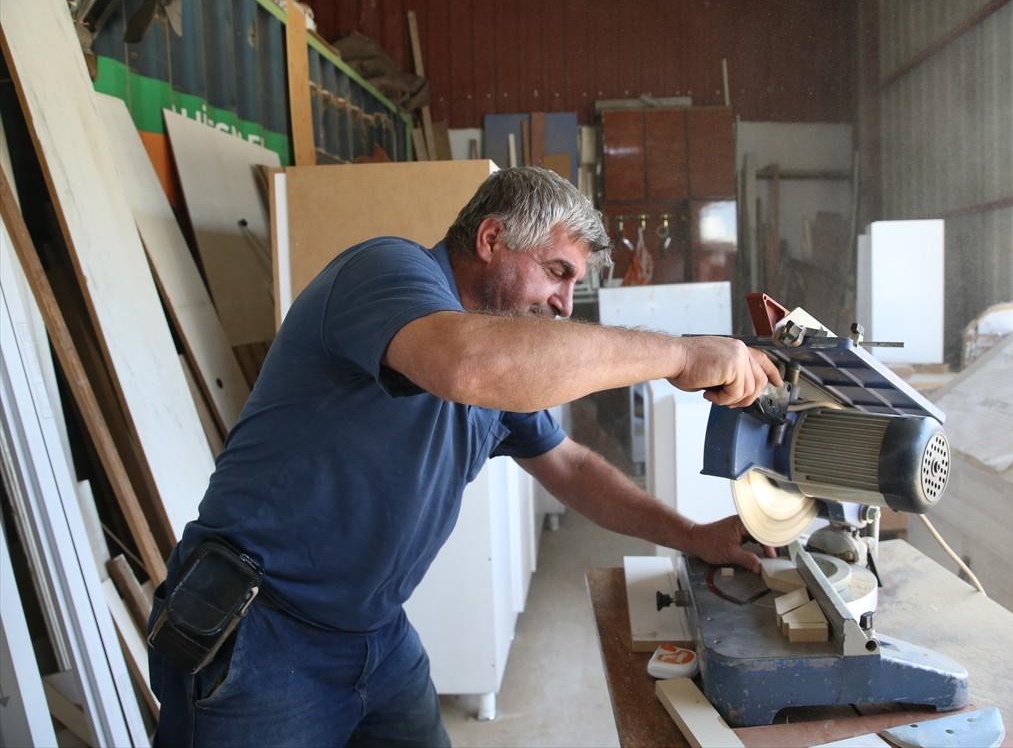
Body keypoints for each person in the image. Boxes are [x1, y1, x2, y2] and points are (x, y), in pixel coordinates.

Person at [147, 166, 782, 747]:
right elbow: (467, 364)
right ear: (491, 238)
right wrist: (678, 353)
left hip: (377, 635)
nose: (565, 303)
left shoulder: (506, 363)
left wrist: (693, 535)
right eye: (557, 271)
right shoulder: (388, 271)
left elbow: (570, 467)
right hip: (261, 631)